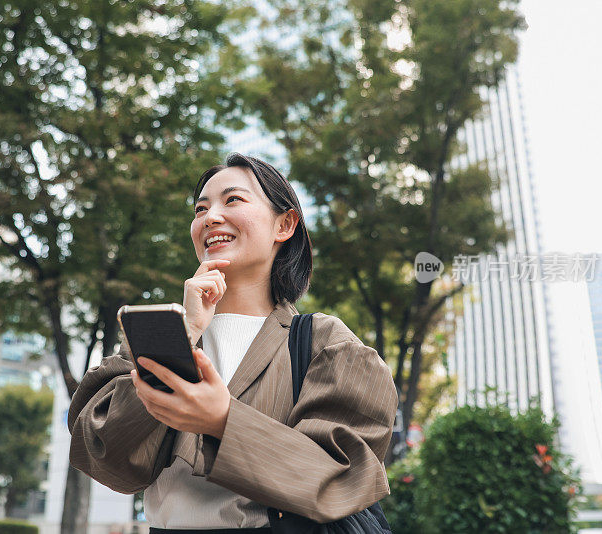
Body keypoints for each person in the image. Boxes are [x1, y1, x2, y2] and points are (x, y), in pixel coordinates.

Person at [67, 153, 399, 534]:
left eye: (233, 200)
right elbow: (104, 454)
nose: (209, 217)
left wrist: (222, 421)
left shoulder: (326, 344)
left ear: (285, 224)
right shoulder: (160, 336)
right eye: (200, 209)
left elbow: (340, 479)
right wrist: (187, 329)